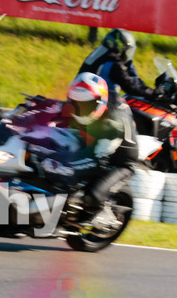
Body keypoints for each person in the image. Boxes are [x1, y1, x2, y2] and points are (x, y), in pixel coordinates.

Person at [51, 72, 138, 221]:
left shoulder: (113, 125)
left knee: (92, 196)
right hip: (91, 139)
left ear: (99, 102)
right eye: (75, 103)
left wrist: (61, 165)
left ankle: (90, 217)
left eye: (86, 105)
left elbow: (97, 159)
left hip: (117, 160)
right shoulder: (81, 103)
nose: (80, 109)